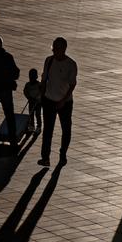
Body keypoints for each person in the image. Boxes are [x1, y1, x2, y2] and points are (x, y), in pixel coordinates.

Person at [38, 37, 77, 167]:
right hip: (48, 100)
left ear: (64, 49)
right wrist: (41, 95)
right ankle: (45, 157)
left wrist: (63, 100)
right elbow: (44, 79)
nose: (54, 51)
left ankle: (62, 154)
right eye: (53, 48)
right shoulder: (49, 61)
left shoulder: (71, 64)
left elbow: (72, 85)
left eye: (57, 48)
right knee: (47, 130)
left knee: (66, 130)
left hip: (65, 103)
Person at [23, 68, 42, 133]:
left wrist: (39, 98)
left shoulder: (39, 85)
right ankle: (32, 125)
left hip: (38, 103)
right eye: (31, 77)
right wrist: (29, 97)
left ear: (36, 77)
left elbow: (42, 92)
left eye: (33, 77)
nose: (31, 79)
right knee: (31, 114)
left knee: (37, 114)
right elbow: (25, 92)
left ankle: (39, 126)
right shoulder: (27, 85)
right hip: (31, 102)